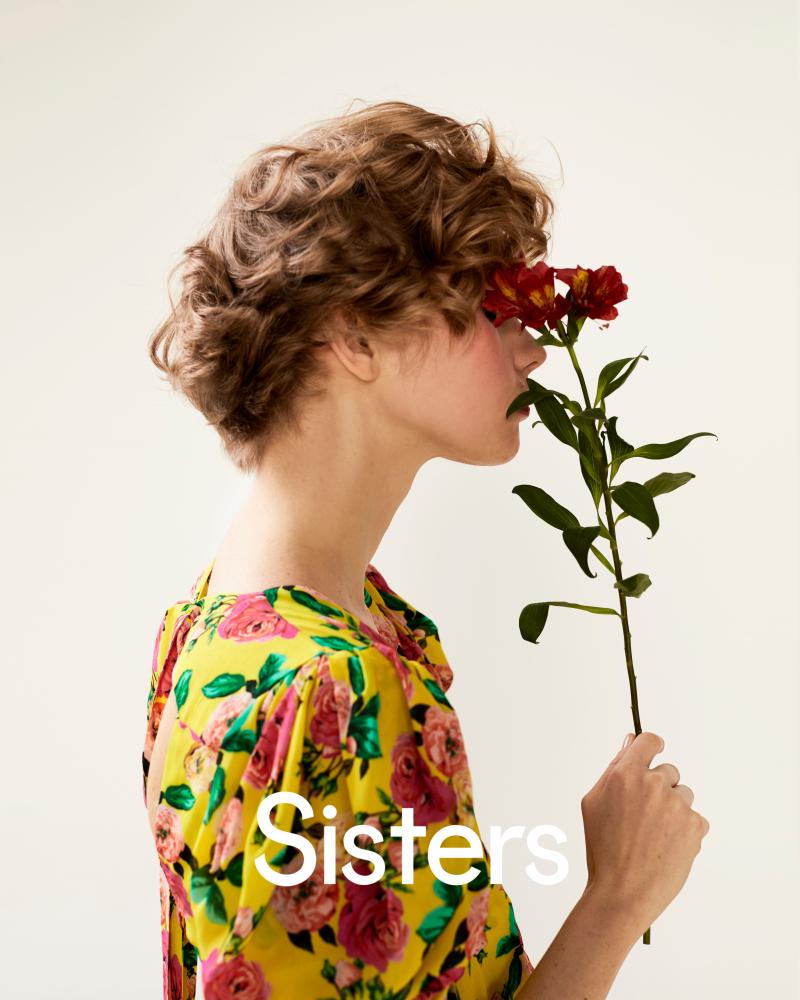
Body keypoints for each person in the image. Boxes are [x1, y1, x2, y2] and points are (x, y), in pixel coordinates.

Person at [142, 100, 710, 1000]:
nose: (531, 346)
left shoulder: (243, 621)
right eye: (487, 307)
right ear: (354, 336)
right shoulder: (322, 688)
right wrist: (617, 901)